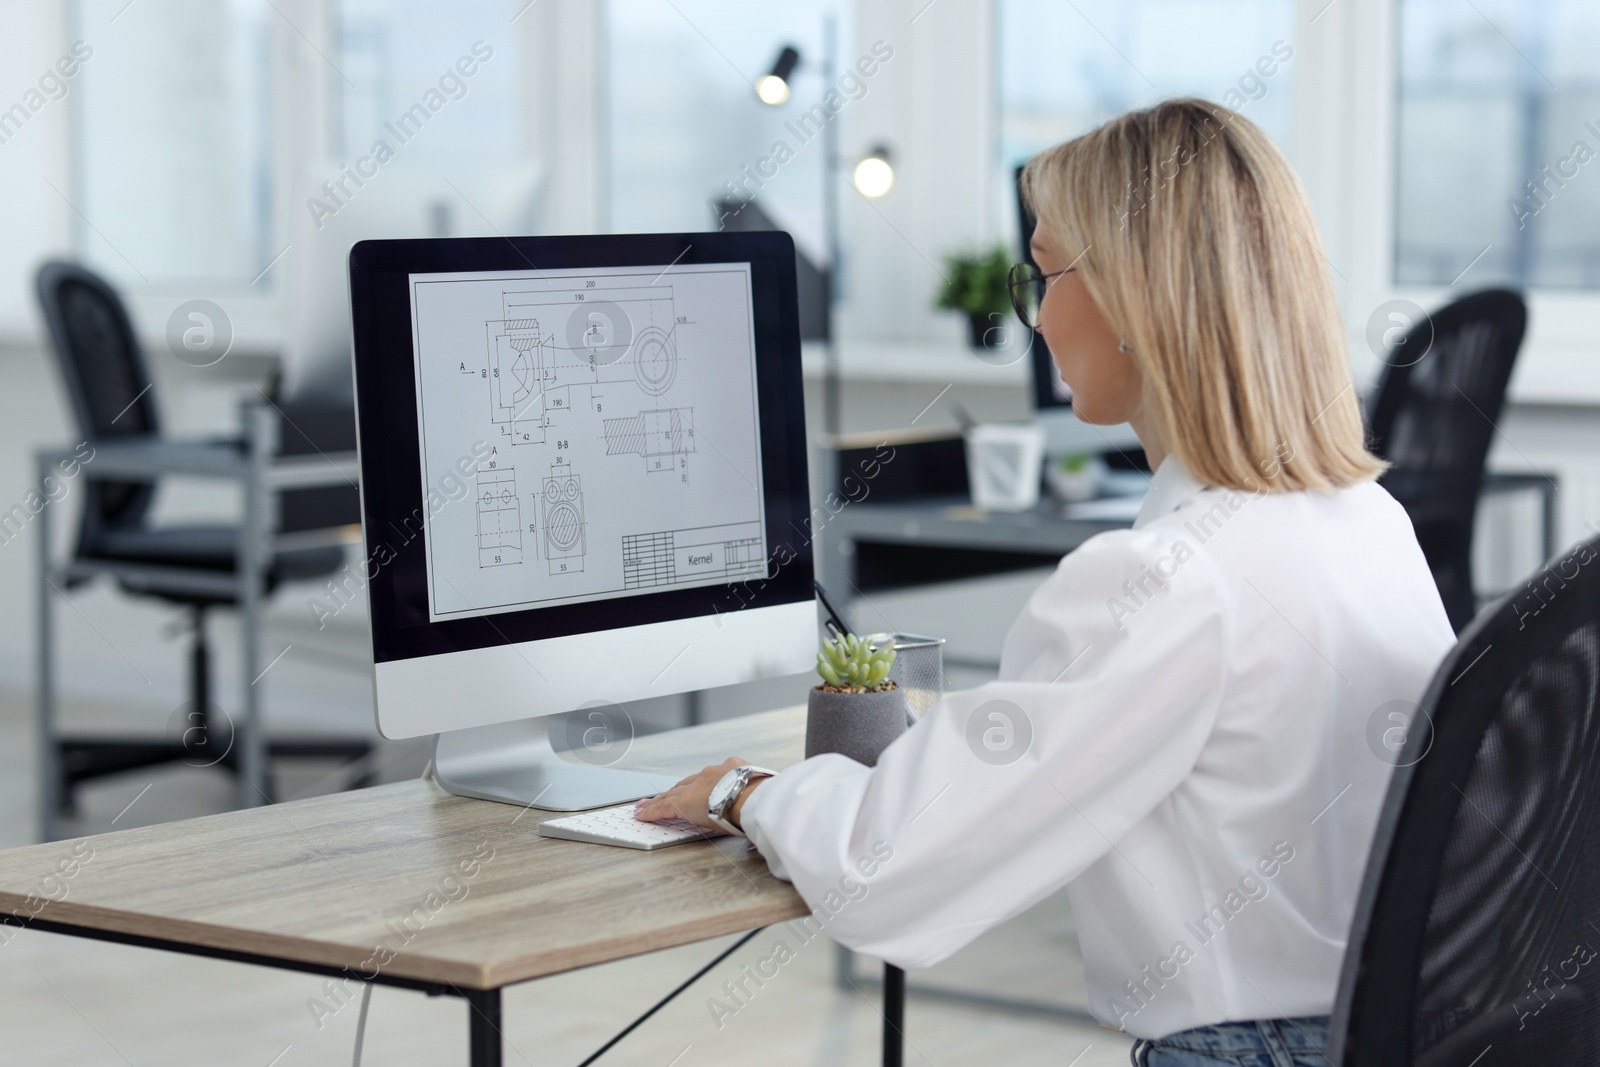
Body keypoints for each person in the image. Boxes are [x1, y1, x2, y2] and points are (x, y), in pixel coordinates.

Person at [636, 97, 1456, 1067]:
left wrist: (743, 788)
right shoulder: (1370, 521)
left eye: (1045, 272)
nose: (1035, 313)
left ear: (1130, 298)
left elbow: (887, 868)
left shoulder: (1167, 577)